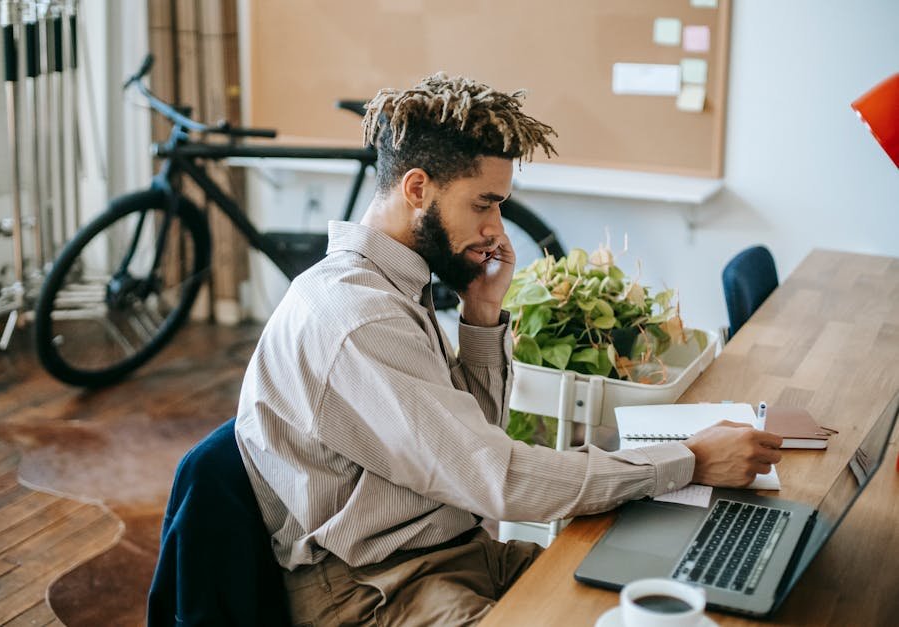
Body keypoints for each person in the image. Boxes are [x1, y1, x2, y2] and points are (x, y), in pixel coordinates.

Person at [235, 73, 783, 626]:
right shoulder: (360, 318)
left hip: (452, 552)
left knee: (644, 590)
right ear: (417, 189)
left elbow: (476, 441)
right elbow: (499, 478)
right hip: (378, 590)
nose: (496, 229)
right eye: (484, 204)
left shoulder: (395, 285)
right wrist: (688, 461)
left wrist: (481, 314)